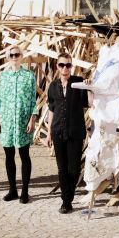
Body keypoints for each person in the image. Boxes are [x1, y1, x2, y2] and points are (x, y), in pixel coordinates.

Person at [45, 52, 91, 214]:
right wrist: (49, 133)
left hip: (75, 131)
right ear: (57, 67)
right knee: (61, 168)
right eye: (61, 65)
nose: (65, 68)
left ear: (72, 66)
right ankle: (66, 201)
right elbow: (51, 109)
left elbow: (89, 104)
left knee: (74, 169)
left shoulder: (78, 83)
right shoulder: (53, 86)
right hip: (58, 131)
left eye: (68, 65)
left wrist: (89, 88)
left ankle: (68, 195)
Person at [0, 45, 38, 204]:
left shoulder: (29, 76)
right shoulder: (3, 76)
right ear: (8, 57)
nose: (14, 57)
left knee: (24, 155)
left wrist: (32, 119)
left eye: (17, 54)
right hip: (6, 121)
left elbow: (34, 99)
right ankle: (12, 189)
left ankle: (25, 191)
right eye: (11, 55)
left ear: (22, 56)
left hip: (23, 121)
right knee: (9, 155)